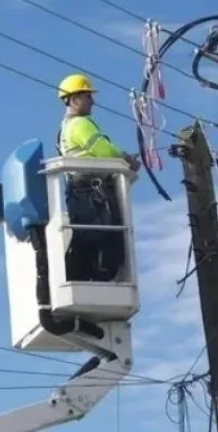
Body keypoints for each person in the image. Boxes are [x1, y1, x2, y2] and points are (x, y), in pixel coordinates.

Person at [55, 73, 141, 282]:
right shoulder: (80, 124)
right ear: (74, 99)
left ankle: (81, 276)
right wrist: (126, 159)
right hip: (90, 191)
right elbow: (103, 150)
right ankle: (97, 275)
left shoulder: (64, 128)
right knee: (103, 234)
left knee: (87, 236)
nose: (92, 101)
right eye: (87, 96)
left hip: (79, 191)